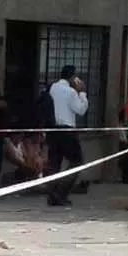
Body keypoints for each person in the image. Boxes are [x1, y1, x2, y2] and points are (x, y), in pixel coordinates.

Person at [44, 65, 88, 207]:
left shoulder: (52, 88)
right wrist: (82, 93)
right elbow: (81, 110)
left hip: (52, 130)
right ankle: (61, 192)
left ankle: (52, 195)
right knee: (76, 162)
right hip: (67, 131)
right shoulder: (71, 92)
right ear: (73, 77)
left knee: (54, 163)